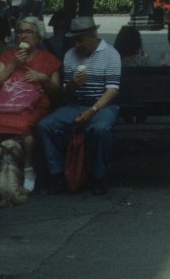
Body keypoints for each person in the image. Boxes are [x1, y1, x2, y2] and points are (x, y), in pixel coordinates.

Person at [0, 16, 60, 194]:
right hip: (4, 103)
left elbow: (56, 93)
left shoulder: (48, 59)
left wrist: (42, 78)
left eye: (28, 32)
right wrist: (12, 65)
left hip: (33, 105)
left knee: (23, 128)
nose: (23, 36)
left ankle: (28, 171)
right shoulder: (7, 56)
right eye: (20, 32)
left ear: (38, 36)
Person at [37, 16, 122, 195]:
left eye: (80, 40)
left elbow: (112, 91)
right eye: (74, 40)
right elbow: (66, 93)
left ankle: (100, 176)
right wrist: (73, 84)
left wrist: (92, 111)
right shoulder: (70, 55)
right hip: (76, 104)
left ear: (93, 35)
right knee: (46, 126)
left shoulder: (111, 54)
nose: (76, 44)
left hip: (102, 105)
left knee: (100, 129)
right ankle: (58, 174)